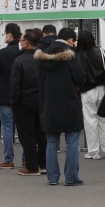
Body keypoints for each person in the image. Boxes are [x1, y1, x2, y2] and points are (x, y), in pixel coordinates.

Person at [35, 27, 85, 186]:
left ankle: (52, 178)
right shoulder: (71, 55)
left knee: (51, 142)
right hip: (69, 103)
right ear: (70, 39)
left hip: (48, 103)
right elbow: (81, 79)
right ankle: (71, 177)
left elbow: (39, 80)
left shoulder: (42, 55)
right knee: (72, 141)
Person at [10, 28, 46, 176]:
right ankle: (43, 164)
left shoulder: (19, 61)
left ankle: (31, 166)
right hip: (42, 101)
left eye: (22, 39)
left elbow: (15, 85)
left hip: (24, 102)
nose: (20, 41)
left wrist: (14, 102)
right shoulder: (44, 59)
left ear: (27, 43)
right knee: (42, 135)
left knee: (27, 135)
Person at [76, 30, 105, 160]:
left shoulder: (78, 55)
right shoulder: (101, 51)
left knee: (90, 120)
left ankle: (93, 151)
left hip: (87, 91)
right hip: (103, 89)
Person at [0, 23, 21, 168]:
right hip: (22, 95)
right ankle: (26, 159)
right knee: (23, 128)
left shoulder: (2, 53)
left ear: (9, 34)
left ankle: (9, 159)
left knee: (8, 127)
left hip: (5, 94)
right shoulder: (23, 53)